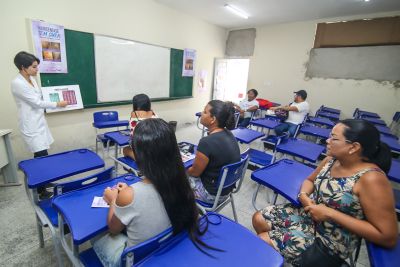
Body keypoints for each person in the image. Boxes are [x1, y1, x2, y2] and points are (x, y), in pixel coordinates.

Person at [252, 119, 397, 266]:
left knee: (262, 242)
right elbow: (309, 181)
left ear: (353, 147)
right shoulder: (331, 160)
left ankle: (276, 255)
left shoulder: (372, 179)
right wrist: (304, 197)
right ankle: (278, 258)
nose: (327, 141)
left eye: (334, 138)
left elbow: (387, 236)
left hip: (331, 239)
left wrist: (330, 213)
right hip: (310, 216)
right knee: (259, 218)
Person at [94, 118, 210, 266]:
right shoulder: (182, 179)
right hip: (170, 246)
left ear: (139, 155)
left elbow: (113, 229)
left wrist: (113, 200)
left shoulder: (129, 195)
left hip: (138, 260)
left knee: (97, 239)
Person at [11, 51, 68, 198]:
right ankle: (41, 190)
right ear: (23, 67)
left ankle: (44, 182)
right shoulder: (17, 83)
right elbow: (36, 103)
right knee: (41, 156)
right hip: (30, 124)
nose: (37, 70)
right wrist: (57, 104)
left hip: (39, 122)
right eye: (34, 67)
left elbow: (39, 97)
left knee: (42, 154)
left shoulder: (32, 79)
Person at [187, 100, 241, 204]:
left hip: (210, 195)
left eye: (205, 112)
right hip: (226, 190)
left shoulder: (206, 142)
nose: (202, 113)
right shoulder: (229, 134)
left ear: (213, 119)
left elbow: (194, 172)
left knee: (175, 177)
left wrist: (182, 170)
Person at [122, 94, 156, 160]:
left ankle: (137, 166)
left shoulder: (134, 114)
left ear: (135, 105)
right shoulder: (153, 113)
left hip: (142, 151)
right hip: (156, 147)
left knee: (125, 149)